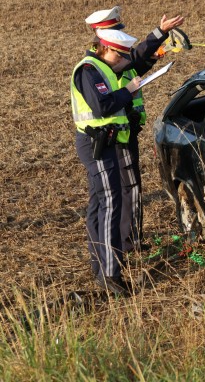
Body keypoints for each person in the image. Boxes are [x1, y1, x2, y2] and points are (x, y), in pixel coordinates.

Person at [85, 6, 185, 253]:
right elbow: (134, 62)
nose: (122, 35)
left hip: (120, 132)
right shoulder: (98, 67)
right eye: (115, 31)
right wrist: (156, 38)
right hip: (116, 135)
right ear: (103, 38)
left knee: (108, 195)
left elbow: (136, 61)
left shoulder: (106, 60)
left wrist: (159, 37)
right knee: (125, 189)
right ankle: (128, 244)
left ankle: (116, 245)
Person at [71, 29, 142, 295]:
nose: (122, 60)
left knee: (100, 203)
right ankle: (110, 274)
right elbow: (102, 106)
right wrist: (128, 91)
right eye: (119, 54)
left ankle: (101, 266)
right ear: (106, 49)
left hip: (105, 142)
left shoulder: (102, 68)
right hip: (96, 145)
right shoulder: (89, 71)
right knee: (111, 203)